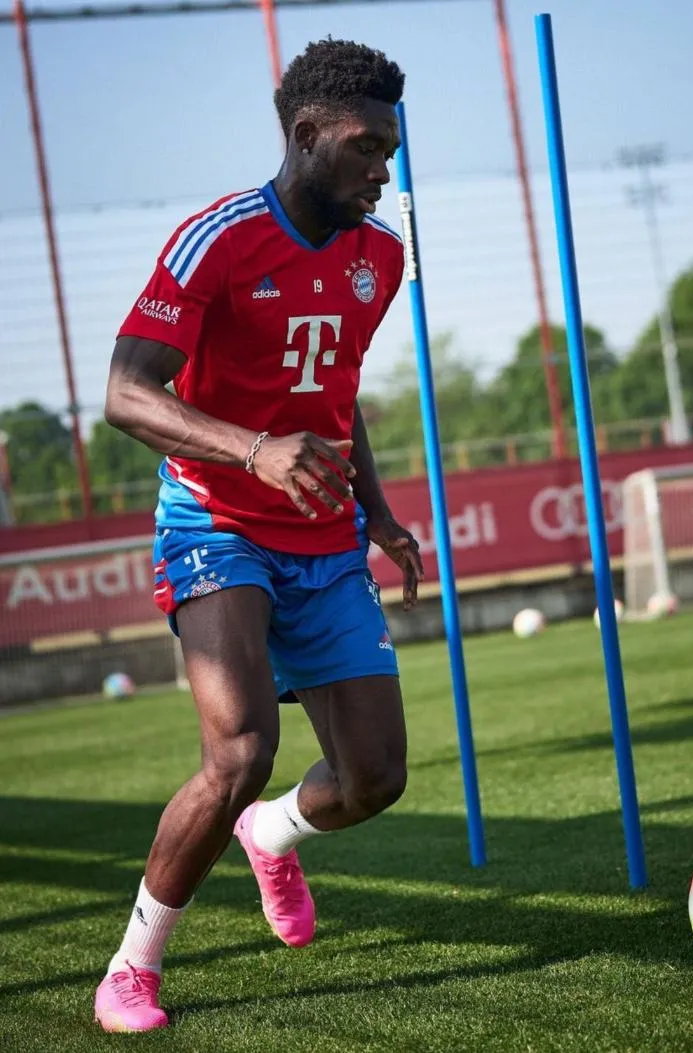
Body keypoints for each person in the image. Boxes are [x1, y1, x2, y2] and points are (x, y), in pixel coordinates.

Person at [94, 38, 423, 1034]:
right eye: (366, 147)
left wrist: (375, 510)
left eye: (391, 151)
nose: (381, 168)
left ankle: (271, 836)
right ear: (307, 134)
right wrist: (251, 452)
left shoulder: (381, 258)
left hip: (322, 537)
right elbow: (123, 392)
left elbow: (336, 396)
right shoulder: (218, 240)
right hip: (215, 518)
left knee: (375, 780)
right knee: (240, 746)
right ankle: (131, 968)